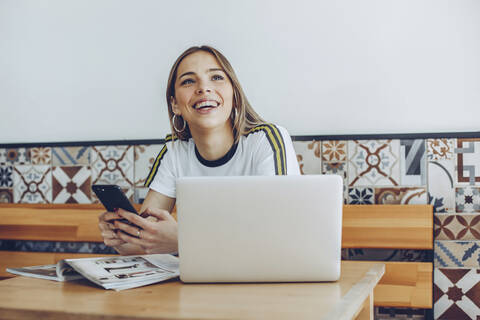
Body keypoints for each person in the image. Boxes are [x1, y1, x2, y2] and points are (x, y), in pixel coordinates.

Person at [98, 45, 300, 255]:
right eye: (188, 81)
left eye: (216, 78)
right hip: (199, 281)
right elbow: (145, 241)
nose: (204, 88)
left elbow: (279, 236)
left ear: (234, 93)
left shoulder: (266, 140)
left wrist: (184, 240)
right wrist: (122, 238)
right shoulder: (174, 153)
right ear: (175, 104)